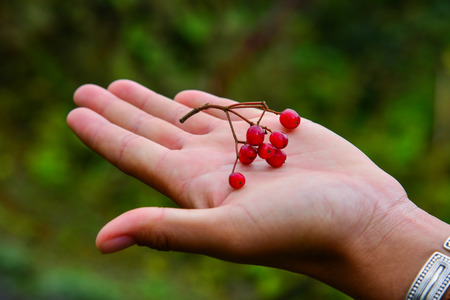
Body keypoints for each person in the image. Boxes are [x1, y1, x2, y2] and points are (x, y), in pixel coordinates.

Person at [67, 79, 450, 300]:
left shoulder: (256, 147)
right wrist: (389, 226)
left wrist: (379, 222)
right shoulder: (257, 143)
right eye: (263, 141)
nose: (285, 127)